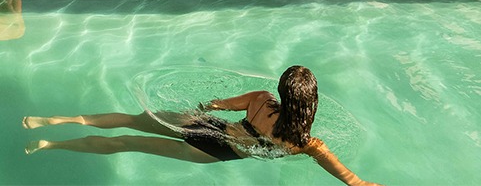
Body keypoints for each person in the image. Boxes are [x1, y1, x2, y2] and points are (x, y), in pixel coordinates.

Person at [24, 65, 382, 186]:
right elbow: (351, 179)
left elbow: (216, 104)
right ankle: (51, 146)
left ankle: (58, 120)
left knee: (135, 120)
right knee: (128, 143)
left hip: (206, 125)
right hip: (213, 150)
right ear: (311, 101)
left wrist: (204, 108)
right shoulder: (305, 143)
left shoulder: (260, 98)